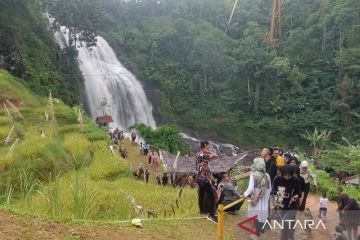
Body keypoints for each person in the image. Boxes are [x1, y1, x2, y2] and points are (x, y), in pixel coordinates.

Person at [243, 158, 272, 236]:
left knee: (255, 215)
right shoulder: (267, 175)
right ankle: (261, 232)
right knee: (262, 215)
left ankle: (257, 234)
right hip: (264, 198)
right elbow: (270, 189)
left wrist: (245, 194)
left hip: (256, 198)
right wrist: (265, 197)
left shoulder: (253, 175)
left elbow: (251, 188)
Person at [272, 165, 301, 240]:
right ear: (282, 173)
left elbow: (299, 193)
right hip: (282, 203)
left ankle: (290, 238)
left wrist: (296, 196)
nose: (287, 177)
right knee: (285, 223)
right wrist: (279, 193)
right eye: (285, 175)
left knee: (285, 221)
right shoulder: (277, 179)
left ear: (292, 174)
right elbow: (273, 190)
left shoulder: (296, 180)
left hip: (293, 205)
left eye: (289, 176)